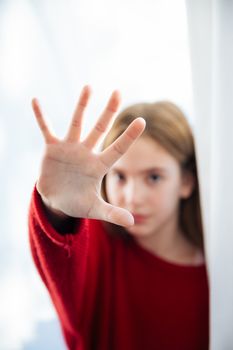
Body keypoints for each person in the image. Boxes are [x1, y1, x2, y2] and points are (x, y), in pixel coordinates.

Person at [28, 85, 209, 350]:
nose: (132, 198)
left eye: (154, 177)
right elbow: (62, 255)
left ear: (187, 182)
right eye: (120, 176)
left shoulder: (218, 272)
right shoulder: (95, 246)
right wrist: (57, 210)